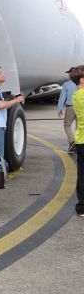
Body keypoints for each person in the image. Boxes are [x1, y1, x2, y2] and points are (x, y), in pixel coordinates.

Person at [70, 65, 84, 217]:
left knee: (83, 175)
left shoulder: (77, 94)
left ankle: (82, 207)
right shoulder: (81, 95)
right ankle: (82, 206)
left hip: (81, 139)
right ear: (81, 80)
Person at [57, 67, 78, 153]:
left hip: (71, 107)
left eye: (69, 73)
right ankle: (79, 144)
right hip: (81, 107)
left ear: (70, 74)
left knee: (67, 125)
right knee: (80, 126)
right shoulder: (81, 83)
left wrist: (60, 108)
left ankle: (72, 142)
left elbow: (62, 98)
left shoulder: (66, 84)